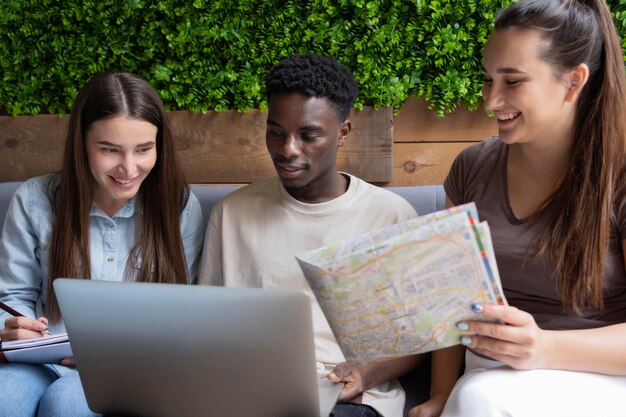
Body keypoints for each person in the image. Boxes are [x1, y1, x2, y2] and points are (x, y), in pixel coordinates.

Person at [199, 53, 428, 417]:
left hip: (347, 397)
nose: (288, 149)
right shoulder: (231, 213)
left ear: (342, 133)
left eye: (309, 135)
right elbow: (205, 323)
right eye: (276, 132)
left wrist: (365, 374)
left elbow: (420, 339)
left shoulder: (392, 216)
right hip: (249, 390)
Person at [435, 0, 626, 415]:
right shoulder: (471, 167)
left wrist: (544, 347)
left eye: (513, 81)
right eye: (487, 80)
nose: (490, 101)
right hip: (489, 375)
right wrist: (437, 397)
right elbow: (452, 302)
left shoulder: (620, 174)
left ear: (574, 81)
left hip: (604, 377)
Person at [0, 71, 204, 417]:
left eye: (144, 150)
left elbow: (183, 313)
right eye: (110, 150)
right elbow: (12, 295)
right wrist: (17, 328)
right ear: (82, 144)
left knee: (67, 403)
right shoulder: (34, 199)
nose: (128, 168)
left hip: (132, 368)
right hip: (41, 360)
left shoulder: (179, 207)